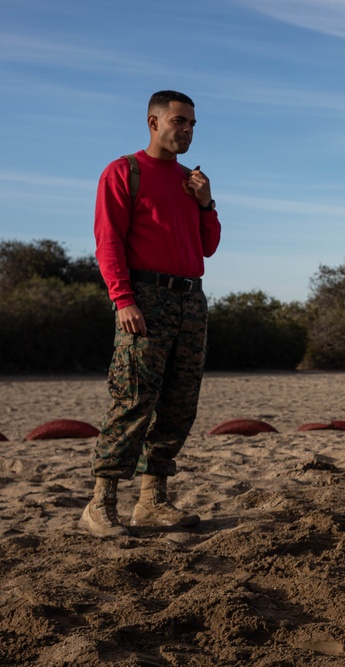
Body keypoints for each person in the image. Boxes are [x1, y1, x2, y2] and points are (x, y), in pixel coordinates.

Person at [82, 90, 220, 538]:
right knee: (133, 399)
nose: (187, 130)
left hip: (190, 300)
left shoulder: (190, 181)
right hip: (145, 296)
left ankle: (152, 501)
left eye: (193, 124)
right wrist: (123, 300)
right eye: (180, 121)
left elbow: (208, 247)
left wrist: (206, 204)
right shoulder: (125, 171)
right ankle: (100, 504)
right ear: (153, 122)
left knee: (180, 404)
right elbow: (108, 242)